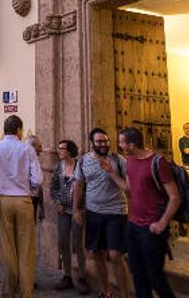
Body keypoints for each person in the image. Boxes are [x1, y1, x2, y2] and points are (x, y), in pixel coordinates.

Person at [0, 115, 43, 298]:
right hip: (24, 201)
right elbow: (38, 179)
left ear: (5, 129)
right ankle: (26, 293)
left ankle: (8, 291)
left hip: (2, 200)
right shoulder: (27, 149)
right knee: (26, 249)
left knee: (6, 247)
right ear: (19, 130)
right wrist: (29, 187)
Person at [117, 127, 180, 298]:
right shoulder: (129, 160)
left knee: (155, 276)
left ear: (131, 144)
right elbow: (129, 190)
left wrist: (162, 222)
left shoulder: (158, 162)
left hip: (152, 226)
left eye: (122, 142)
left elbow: (174, 197)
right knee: (138, 274)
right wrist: (110, 173)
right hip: (134, 225)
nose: (119, 145)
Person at [73, 128, 130, 298]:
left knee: (115, 255)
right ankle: (105, 292)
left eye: (105, 141)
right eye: (99, 142)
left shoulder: (118, 160)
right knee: (98, 254)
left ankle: (125, 294)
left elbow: (128, 188)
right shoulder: (83, 161)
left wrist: (110, 172)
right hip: (94, 213)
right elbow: (79, 185)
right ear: (92, 143)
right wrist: (76, 209)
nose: (103, 144)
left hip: (116, 212)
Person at [51, 139, 87, 293]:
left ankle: (82, 276)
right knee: (63, 241)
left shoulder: (81, 166)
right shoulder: (59, 166)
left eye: (62, 149)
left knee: (78, 243)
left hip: (78, 210)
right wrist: (57, 202)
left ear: (70, 150)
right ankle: (67, 275)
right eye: (58, 148)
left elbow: (86, 187)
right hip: (63, 211)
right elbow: (53, 187)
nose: (59, 151)